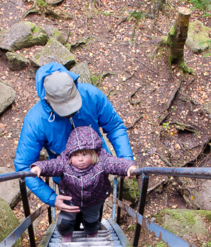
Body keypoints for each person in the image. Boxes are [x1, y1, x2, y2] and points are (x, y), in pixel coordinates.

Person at [14, 62, 135, 216]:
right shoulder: (36, 121)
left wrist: (126, 161)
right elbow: (23, 165)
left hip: (98, 172)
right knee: (70, 216)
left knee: (94, 212)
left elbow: (114, 126)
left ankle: (92, 227)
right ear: (46, 97)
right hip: (66, 179)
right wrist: (51, 197)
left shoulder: (91, 95)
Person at [31, 125, 137, 240]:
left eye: (85, 154)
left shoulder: (102, 160)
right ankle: (66, 235)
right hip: (71, 199)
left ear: (94, 154)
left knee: (91, 220)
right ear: (70, 154)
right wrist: (39, 167)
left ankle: (91, 233)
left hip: (94, 200)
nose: (80, 159)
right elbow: (52, 165)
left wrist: (128, 167)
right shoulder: (64, 162)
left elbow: (116, 163)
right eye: (76, 155)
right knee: (66, 220)